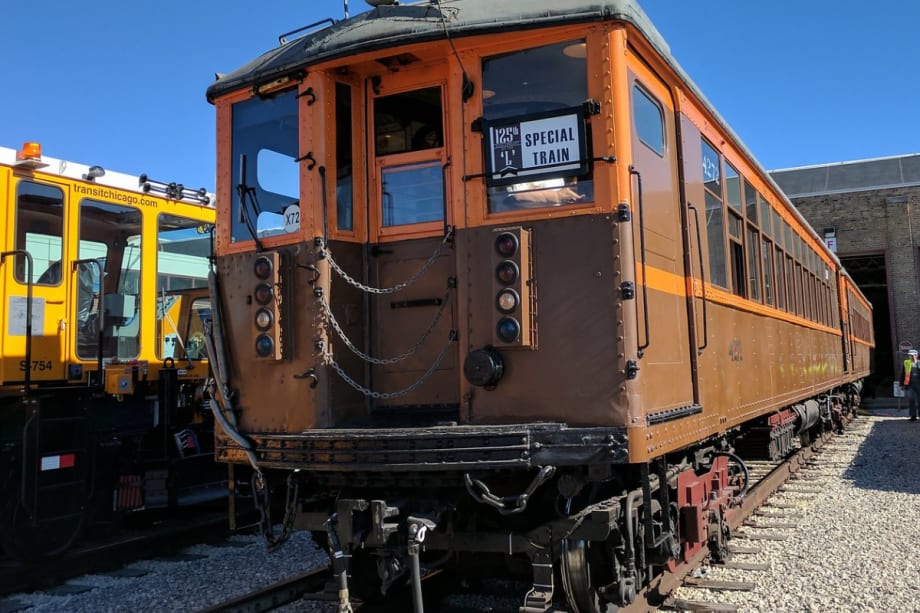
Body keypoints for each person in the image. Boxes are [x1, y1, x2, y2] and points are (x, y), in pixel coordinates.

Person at [900, 349, 920, 421]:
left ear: (916, 355)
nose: (911, 357)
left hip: (919, 384)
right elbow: (903, 374)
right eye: (910, 355)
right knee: (911, 400)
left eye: (912, 355)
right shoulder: (906, 363)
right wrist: (901, 384)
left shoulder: (919, 363)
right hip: (910, 385)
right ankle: (913, 416)